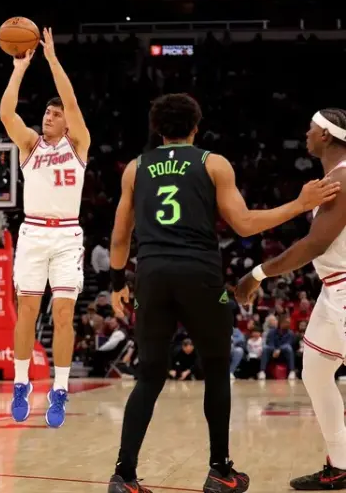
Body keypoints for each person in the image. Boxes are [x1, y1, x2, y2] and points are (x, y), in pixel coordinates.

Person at [105, 94, 339, 493]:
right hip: (199, 274)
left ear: (157, 129)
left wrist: (115, 284)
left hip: (152, 274)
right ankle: (220, 470)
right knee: (215, 371)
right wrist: (298, 204)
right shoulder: (212, 163)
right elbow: (245, 224)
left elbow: (120, 235)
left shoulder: (136, 168)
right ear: (197, 127)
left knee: (148, 377)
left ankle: (124, 475)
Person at [235, 109, 346, 490]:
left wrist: (258, 273)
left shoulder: (344, 177)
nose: (306, 134)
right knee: (315, 371)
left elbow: (316, 242)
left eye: (312, 129)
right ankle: (342, 464)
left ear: (328, 136)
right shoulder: (332, 178)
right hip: (332, 288)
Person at [0, 27, 91, 428]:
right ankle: (21, 384)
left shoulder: (78, 143)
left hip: (67, 236)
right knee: (27, 313)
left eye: (55, 114)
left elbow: (70, 99)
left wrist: (52, 59)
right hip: (33, 233)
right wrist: (19, 69)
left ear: (67, 121)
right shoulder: (30, 146)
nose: (48, 116)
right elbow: (6, 114)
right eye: (47, 113)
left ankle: (60, 390)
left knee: (65, 313)